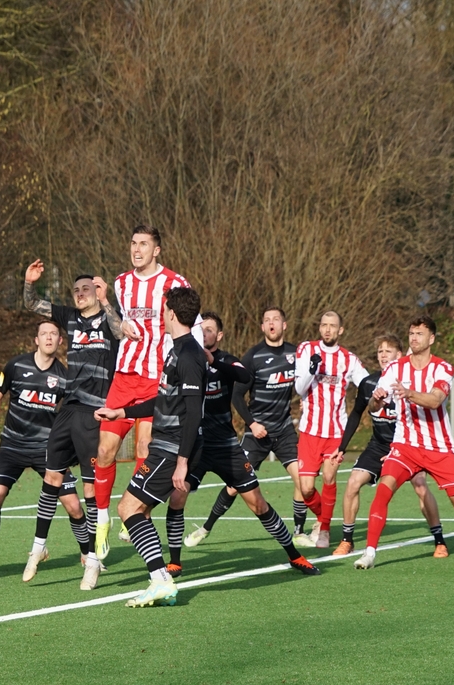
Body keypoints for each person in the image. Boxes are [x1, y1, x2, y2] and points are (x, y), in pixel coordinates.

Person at [96, 289, 319, 607]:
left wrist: (182, 462)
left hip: (180, 446)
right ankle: (166, 571)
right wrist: (122, 412)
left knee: (129, 509)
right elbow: (165, 399)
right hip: (174, 444)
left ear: (172, 313)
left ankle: (161, 580)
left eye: (163, 310)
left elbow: (194, 411)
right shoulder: (178, 351)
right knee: (140, 508)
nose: (161, 315)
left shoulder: (190, 355)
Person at [355, 316, 454, 569]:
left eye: (419, 334)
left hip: (438, 448)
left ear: (431, 339)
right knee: (383, 491)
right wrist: (377, 399)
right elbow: (373, 406)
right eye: (411, 333)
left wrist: (409, 393)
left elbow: (435, 400)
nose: (414, 338)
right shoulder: (395, 368)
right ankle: (370, 553)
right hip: (405, 446)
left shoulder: (442, 368)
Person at [92, 224, 195, 561]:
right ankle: (102, 519)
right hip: (125, 375)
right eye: (133, 243)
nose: (137, 250)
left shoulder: (174, 283)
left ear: (156, 250)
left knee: (144, 447)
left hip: (156, 377)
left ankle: (137, 510)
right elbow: (116, 325)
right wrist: (118, 322)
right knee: (105, 450)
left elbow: (188, 323)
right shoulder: (121, 282)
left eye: (144, 244)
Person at [21, 262, 121, 590]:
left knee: (91, 489)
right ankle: (38, 547)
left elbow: (123, 333)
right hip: (68, 409)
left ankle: (92, 560)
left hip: (95, 412)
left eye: (85, 289)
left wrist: (106, 301)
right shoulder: (70, 317)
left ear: (97, 291)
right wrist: (29, 283)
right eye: (76, 290)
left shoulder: (110, 318)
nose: (79, 294)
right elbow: (32, 304)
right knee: (52, 477)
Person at [186, 306, 308, 546]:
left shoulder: (296, 355)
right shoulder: (253, 356)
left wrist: (307, 398)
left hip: (284, 431)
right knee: (234, 487)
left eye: (276, 319)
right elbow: (237, 395)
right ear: (262, 326)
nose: (271, 323)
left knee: (303, 480)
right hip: (257, 433)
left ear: (284, 325)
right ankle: (205, 528)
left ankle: (299, 531)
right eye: (267, 320)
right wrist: (252, 424)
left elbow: (308, 383)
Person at [326, 334, 447, 557]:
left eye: (388, 351)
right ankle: (347, 540)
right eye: (380, 351)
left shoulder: (409, 383)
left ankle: (439, 541)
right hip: (378, 445)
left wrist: (399, 450)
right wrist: (341, 447)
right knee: (352, 483)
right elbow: (356, 414)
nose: (383, 355)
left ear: (399, 355)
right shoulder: (369, 384)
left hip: (408, 445)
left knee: (420, 485)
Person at [0, 320, 83, 575]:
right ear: (36, 340)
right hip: (12, 446)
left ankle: (88, 555)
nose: (48, 338)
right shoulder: (16, 366)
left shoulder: (65, 377)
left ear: (60, 341)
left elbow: (74, 415)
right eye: (43, 334)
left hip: (46, 449)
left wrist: (73, 446)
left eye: (53, 334)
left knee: (73, 506)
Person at [294, 311, 369, 549]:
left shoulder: (349, 359)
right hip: (309, 431)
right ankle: (321, 517)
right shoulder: (306, 349)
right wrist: (311, 370)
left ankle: (324, 530)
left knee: (329, 478)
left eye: (332, 326)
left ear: (340, 330)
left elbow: (367, 384)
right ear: (320, 328)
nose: (327, 329)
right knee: (306, 489)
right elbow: (299, 388)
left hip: (336, 432)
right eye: (324, 325)